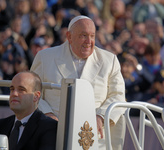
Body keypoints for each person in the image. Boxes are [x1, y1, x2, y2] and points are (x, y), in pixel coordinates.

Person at [30, 15, 126, 150]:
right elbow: (32, 92)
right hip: (52, 133)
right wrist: (47, 114)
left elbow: (118, 96)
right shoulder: (45, 57)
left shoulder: (109, 61)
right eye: (83, 35)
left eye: (92, 36)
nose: (89, 41)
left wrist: (100, 116)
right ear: (69, 37)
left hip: (95, 136)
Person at [0, 71, 57, 150]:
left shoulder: (49, 127)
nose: (14, 94)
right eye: (12, 89)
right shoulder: (1, 125)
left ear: (36, 96)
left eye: (21, 90)